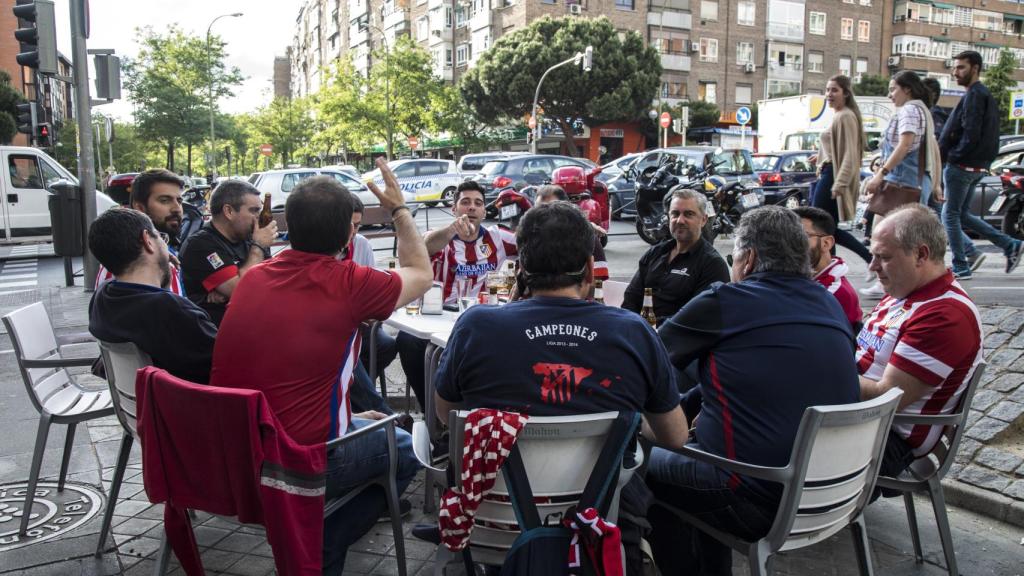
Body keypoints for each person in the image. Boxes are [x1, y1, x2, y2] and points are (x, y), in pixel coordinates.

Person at [210, 161, 432, 573]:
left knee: (371, 424)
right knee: (406, 451)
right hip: (297, 458)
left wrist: (347, 415)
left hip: (237, 447)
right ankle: (322, 545)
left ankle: (315, 536)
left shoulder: (254, 278)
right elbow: (422, 272)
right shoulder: (351, 282)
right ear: (350, 232)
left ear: (287, 225)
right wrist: (400, 210)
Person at [649, 206, 860, 576]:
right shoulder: (829, 302)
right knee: (694, 446)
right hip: (829, 495)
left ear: (749, 259)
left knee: (637, 462)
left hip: (751, 494)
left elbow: (645, 358)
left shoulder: (726, 301)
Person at [433, 201, 688, 445]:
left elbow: (447, 414)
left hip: (494, 486)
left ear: (521, 268)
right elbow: (674, 437)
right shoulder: (635, 332)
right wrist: (634, 423)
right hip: (602, 488)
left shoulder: (476, 326)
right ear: (590, 269)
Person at [857, 204, 983, 478]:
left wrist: (821, 375)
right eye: (873, 256)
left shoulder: (945, 315)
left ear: (921, 254)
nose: (873, 266)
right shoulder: (904, 289)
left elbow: (887, 397)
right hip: (862, 423)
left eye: (884, 257)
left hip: (888, 440)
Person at [395, 180, 517, 410]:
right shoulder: (440, 237)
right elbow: (420, 249)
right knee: (407, 340)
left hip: (483, 319)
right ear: (454, 208)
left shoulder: (498, 237)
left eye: (478, 203)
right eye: (465, 202)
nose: (471, 207)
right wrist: (452, 229)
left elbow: (533, 242)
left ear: (484, 211)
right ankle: (430, 412)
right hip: (438, 317)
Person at [87, 208, 217, 384]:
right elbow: (227, 363)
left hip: (139, 403)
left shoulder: (103, 297)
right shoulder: (172, 311)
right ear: (147, 240)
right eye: (161, 238)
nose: (165, 245)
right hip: (189, 405)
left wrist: (156, 260)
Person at [939, 50, 1024, 279]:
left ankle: (961, 265)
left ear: (975, 68)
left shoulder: (975, 95)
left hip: (962, 167)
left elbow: (971, 133)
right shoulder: (981, 94)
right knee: (962, 214)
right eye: (955, 67)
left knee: (949, 215)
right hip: (974, 166)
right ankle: (1010, 245)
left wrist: (954, 156)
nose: (955, 72)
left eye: (961, 68)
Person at [862, 71, 936, 297]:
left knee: (890, 236)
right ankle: (890, 280)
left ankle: (890, 282)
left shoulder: (910, 110)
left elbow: (905, 145)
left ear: (907, 89)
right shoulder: (920, 110)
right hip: (907, 179)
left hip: (902, 180)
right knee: (893, 233)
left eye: (893, 88)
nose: (890, 94)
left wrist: (880, 174)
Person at [622, 188, 728, 325]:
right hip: (639, 335)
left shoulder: (713, 265)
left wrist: (647, 328)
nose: (680, 220)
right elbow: (631, 299)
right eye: (675, 214)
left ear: (703, 220)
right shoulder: (654, 253)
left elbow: (696, 319)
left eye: (688, 214)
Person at [179, 180, 278, 325]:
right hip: (216, 335)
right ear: (229, 211)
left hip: (252, 325)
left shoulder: (249, 236)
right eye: (254, 210)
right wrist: (258, 247)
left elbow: (274, 280)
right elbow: (241, 291)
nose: (260, 216)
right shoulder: (201, 244)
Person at [811, 75, 873, 268]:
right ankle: (830, 268)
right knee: (826, 229)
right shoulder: (839, 115)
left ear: (846, 93)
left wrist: (840, 182)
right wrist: (819, 156)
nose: (829, 94)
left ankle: (870, 259)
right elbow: (836, 149)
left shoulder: (845, 115)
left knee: (822, 227)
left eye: (834, 90)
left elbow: (850, 154)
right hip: (829, 172)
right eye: (827, 90)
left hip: (833, 176)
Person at [97, 169, 187, 296]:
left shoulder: (159, 251)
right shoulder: (130, 260)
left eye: (179, 201)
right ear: (140, 207)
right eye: (164, 200)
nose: (177, 208)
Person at [793, 206, 863, 330]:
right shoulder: (807, 278)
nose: (790, 245)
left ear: (826, 243)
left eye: (801, 237)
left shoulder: (834, 294)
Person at [534, 184, 609, 282]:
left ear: (566, 209)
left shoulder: (586, 237)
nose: (544, 215)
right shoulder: (531, 237)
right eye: (539, 210)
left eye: (551, 209)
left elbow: (597, 282)